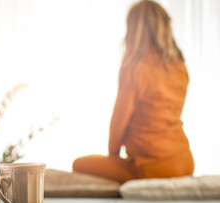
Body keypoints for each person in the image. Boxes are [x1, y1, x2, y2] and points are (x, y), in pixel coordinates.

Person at [72, 0, 194, 184]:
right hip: (184, 163)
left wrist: (113, 155)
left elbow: (120, 118)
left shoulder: (135, 67)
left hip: (150, 167)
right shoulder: (179, 66)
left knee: (79, 164)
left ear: (134, 30)